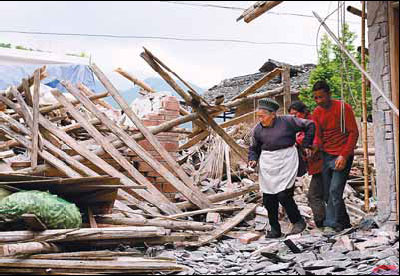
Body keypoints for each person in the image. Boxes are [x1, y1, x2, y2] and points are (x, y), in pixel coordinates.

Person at [248, 98, 315, 238]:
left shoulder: (288, 121)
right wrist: (253, 159)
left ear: (273, 114)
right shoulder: (257, 130)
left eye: (262, 116)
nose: (260, 119)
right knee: (268, 198)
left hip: (286, 159)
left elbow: (310, 125)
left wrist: (306, 145)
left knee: (284, 195)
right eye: (258, 116)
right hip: (268, 162)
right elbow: (254, 148)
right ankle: (275, 229)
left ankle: (298, 221)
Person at [311, 80, 359, 232]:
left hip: (342, 154)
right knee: (328, 194)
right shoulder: (317, 112)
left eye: (321, 97)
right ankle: (344, 223)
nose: (319, 101)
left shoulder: (344, 108)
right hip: (326, 155)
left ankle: (330, 224)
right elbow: (318, 136)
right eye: (316, 98)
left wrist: (344, 156)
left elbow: (354, 133)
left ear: (329, 94)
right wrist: (313, 147)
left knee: (335, 191)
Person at [288, 101, 325, 229]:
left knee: (314, 195)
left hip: (322, 164)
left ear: (303, 112)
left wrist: (308, 145)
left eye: (296, 114)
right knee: (327, 194)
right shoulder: (300, 127)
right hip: (315, 166)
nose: (294, 117)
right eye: (291, 115)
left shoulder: (311, 123)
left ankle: (323, 223)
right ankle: (335, 222)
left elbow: (315, 139)